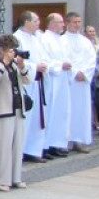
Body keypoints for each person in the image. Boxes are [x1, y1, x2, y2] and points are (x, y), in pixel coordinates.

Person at [0, 34, 32, 192]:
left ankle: (16, 178)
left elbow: (28, 80)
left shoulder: (14, 64)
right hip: (3, 109)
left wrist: (21, 66)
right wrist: (5, 61)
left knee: (18, 145)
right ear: (2, 50)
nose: (13, 53)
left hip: (18, 108)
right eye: (10, 50)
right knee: (4, 146)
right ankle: (2, 179)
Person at [13, 11, 48, 162]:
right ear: (26, 22)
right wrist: (35, 66)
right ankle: (18, 151)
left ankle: (33, 149)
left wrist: (44, 65)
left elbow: (43, 56)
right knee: (24, 118)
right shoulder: (17, 38)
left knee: (35, 119)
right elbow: (15, 59)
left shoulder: (36, 38)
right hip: (25, 82)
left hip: (37, 82)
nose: (38, 23)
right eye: (36, 20)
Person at [40, 13, 71, 158]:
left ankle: (56, 143)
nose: (63, 25)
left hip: (62, 82)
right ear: (51, 24)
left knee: (60, 113)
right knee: (50, 113)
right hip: (51, 81)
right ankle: (45, 145)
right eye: (60, 22)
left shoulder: (61, 40)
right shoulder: (44, 39)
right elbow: (44, 60)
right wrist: (60, 65)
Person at [64, 12, 96, 153]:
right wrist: (75, 72)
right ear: (67, 23)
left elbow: (92, 59)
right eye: (74, 22)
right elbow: (62, 59)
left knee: (81, 111)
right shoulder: (62, 41)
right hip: (68, 82)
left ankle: (79, 140)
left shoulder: (85, 41)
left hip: (82, 83)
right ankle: (64, 140)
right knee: (66, 111)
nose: (77, 24)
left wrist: (84, 73)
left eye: (79, 21)